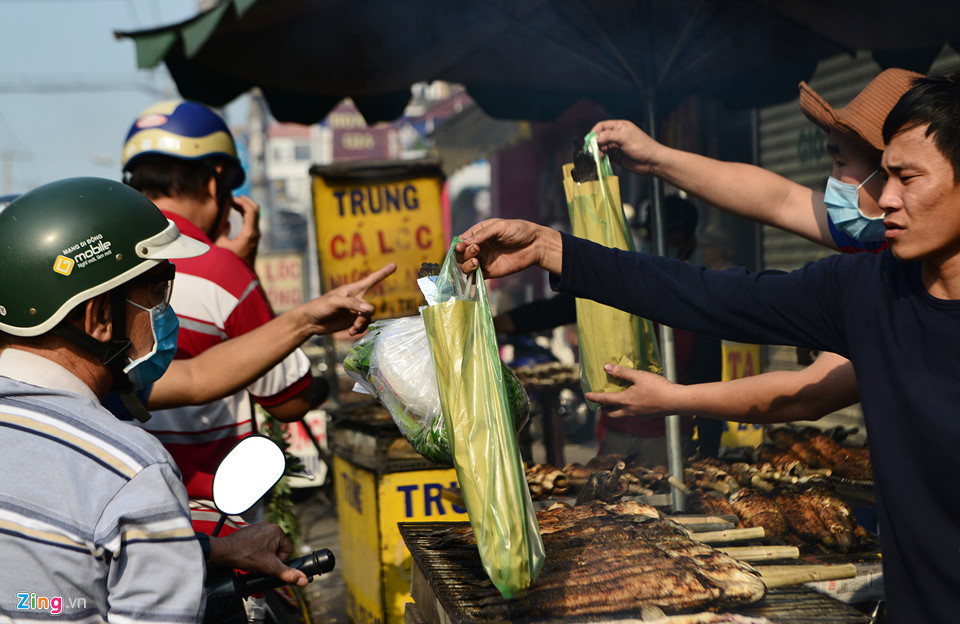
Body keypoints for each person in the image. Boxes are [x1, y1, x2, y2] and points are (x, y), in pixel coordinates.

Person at [456, 70, 960, 622]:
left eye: (906, 178)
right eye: (883, 175)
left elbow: (801, 393)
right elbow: (715, 294)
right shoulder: (870, 289)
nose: (884, 198)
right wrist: (555, 249)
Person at [0, 178, 312, 622]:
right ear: (101, 316)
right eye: (159, 295)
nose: (166, 314)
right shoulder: (131, 469)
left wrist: (210, 549)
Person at [583, 68, 921, 423]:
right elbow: (781, 200)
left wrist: (672, 397)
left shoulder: (911, 277)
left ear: (890, 173)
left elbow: (811, 391)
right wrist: (655, 158)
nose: (832, 181)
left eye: (840, 162)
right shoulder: (879, 244)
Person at [120, 99, 315, 513]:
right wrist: (244, 272)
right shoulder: (224, 275)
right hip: (216, 519)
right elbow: (290, 400)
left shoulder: (104, 266)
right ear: (214, 185)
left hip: (123, 513)